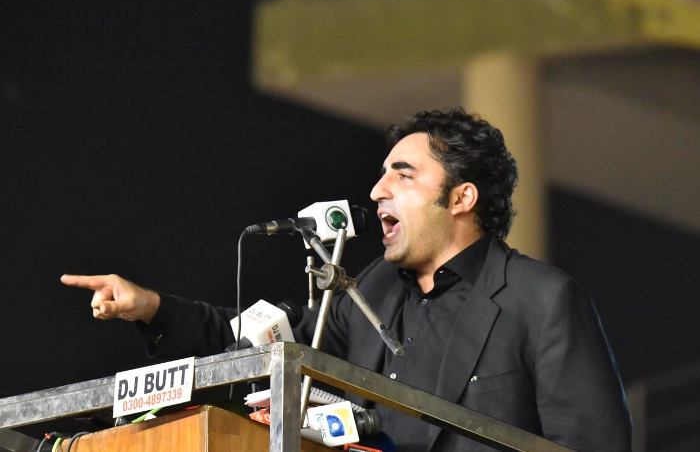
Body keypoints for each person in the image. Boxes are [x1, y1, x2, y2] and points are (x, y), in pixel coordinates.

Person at [61, 108, 632, 451]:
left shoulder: (543, 299)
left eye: (402, 175)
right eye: (381, 175)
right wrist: (153, 308)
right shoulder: (369, 289)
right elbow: (260, 349)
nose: (377, 191)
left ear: (462, 198)